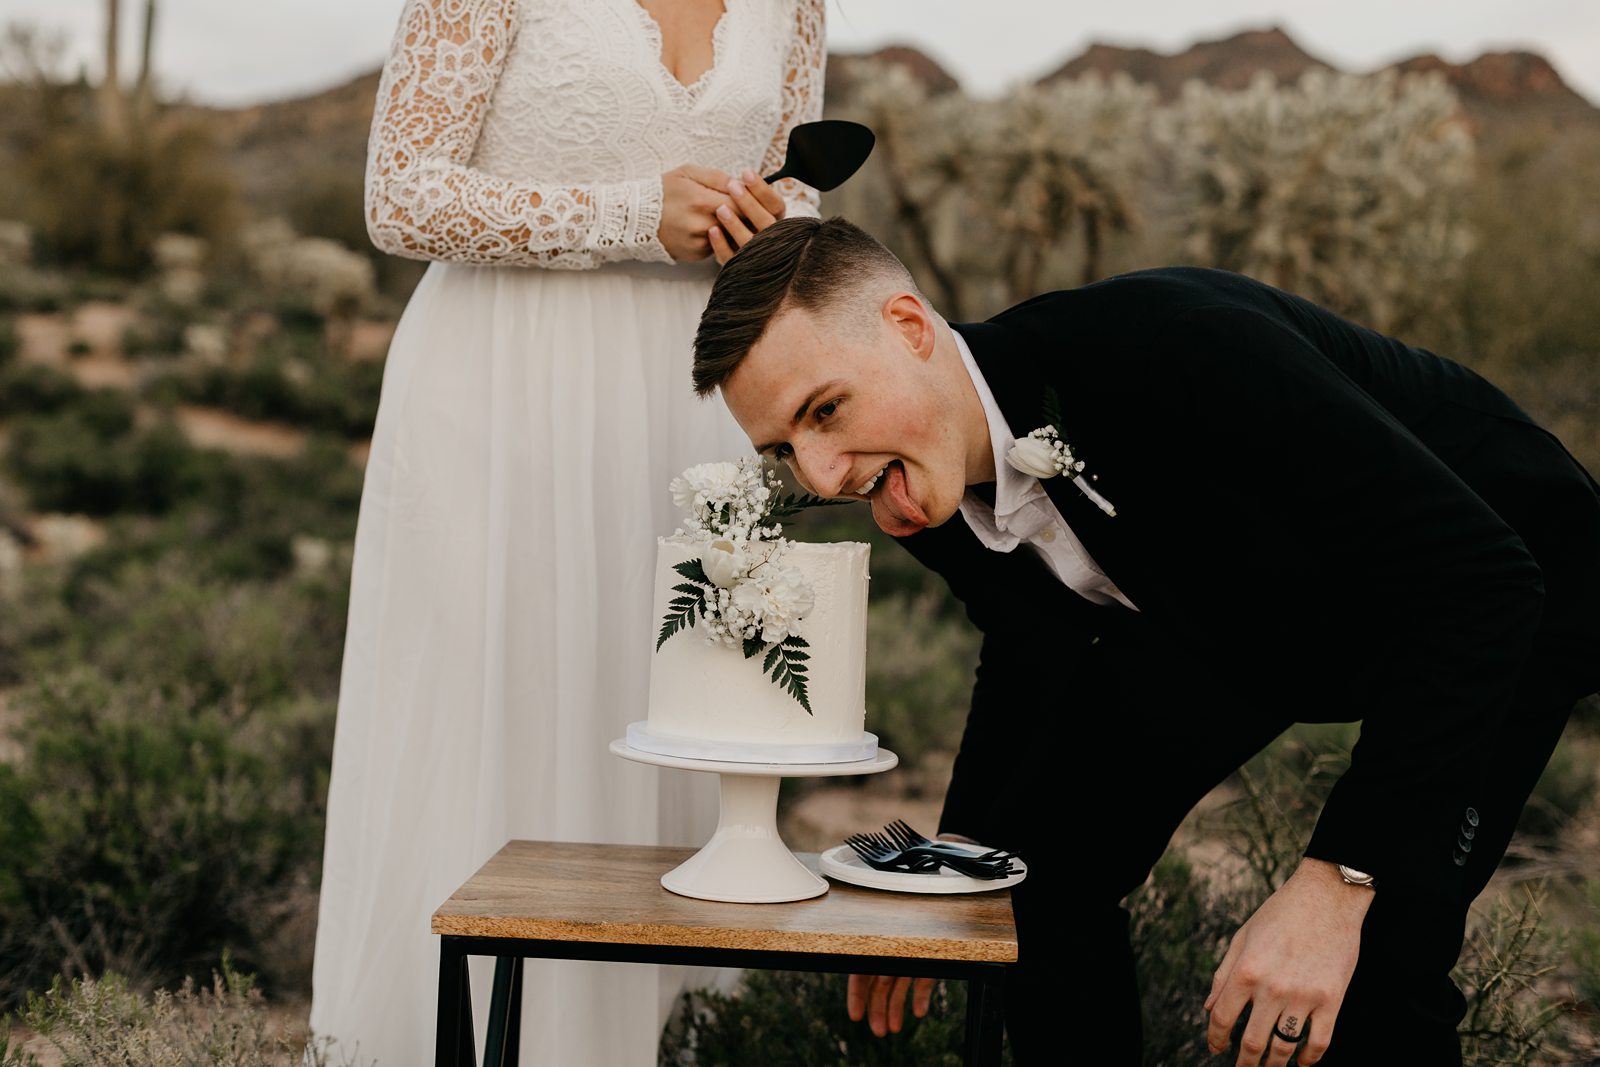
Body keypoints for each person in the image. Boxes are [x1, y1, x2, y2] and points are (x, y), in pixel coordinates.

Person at [689, 216, 1600, 1066]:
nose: (821, 474)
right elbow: (1029, 646)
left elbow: (1480, 578)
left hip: (1492, 584)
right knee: (1026, 895)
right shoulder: (917, 485)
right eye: (781, 450)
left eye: (825, 410)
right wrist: (952, 871)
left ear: (909, 326)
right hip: (1231, 607)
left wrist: (1338, 877)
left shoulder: (1174, 347)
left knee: (1370, 956)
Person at [309, 2, 825, 1063]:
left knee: (679, 706)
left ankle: (646, 1035)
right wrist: (631, 215)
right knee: (499, 703)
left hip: (696, 393)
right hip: (505, 380)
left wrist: (771, 222)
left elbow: (793, 179)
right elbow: (399, 193)